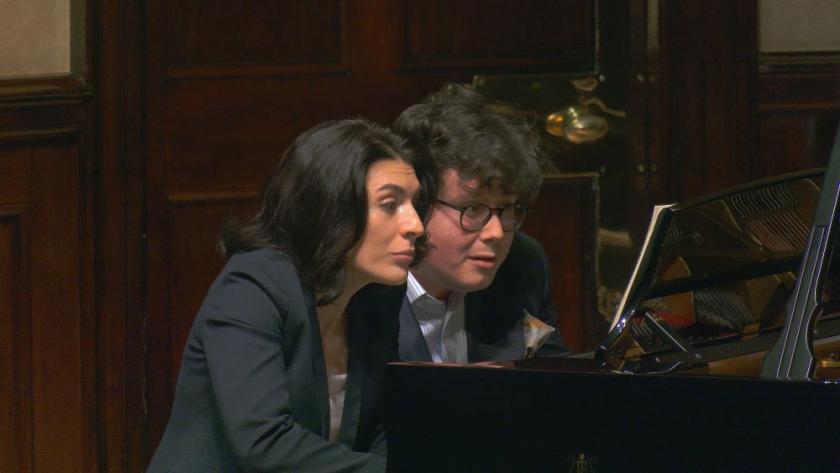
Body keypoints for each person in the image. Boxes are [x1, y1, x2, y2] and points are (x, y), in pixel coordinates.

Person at [147, 118, 426, 473]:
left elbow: (378, 431)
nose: (416, 225)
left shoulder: (376, 295)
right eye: (389, 204)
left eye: (414, 203)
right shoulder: (253, 285)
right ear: (331, 207)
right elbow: (263, 442)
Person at [370, 83, 568, 363]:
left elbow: (557, 380)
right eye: (473, 209)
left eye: (507, 209)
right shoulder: (364, 282)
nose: (496, 232)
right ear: (419, 204)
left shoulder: (523, 263)